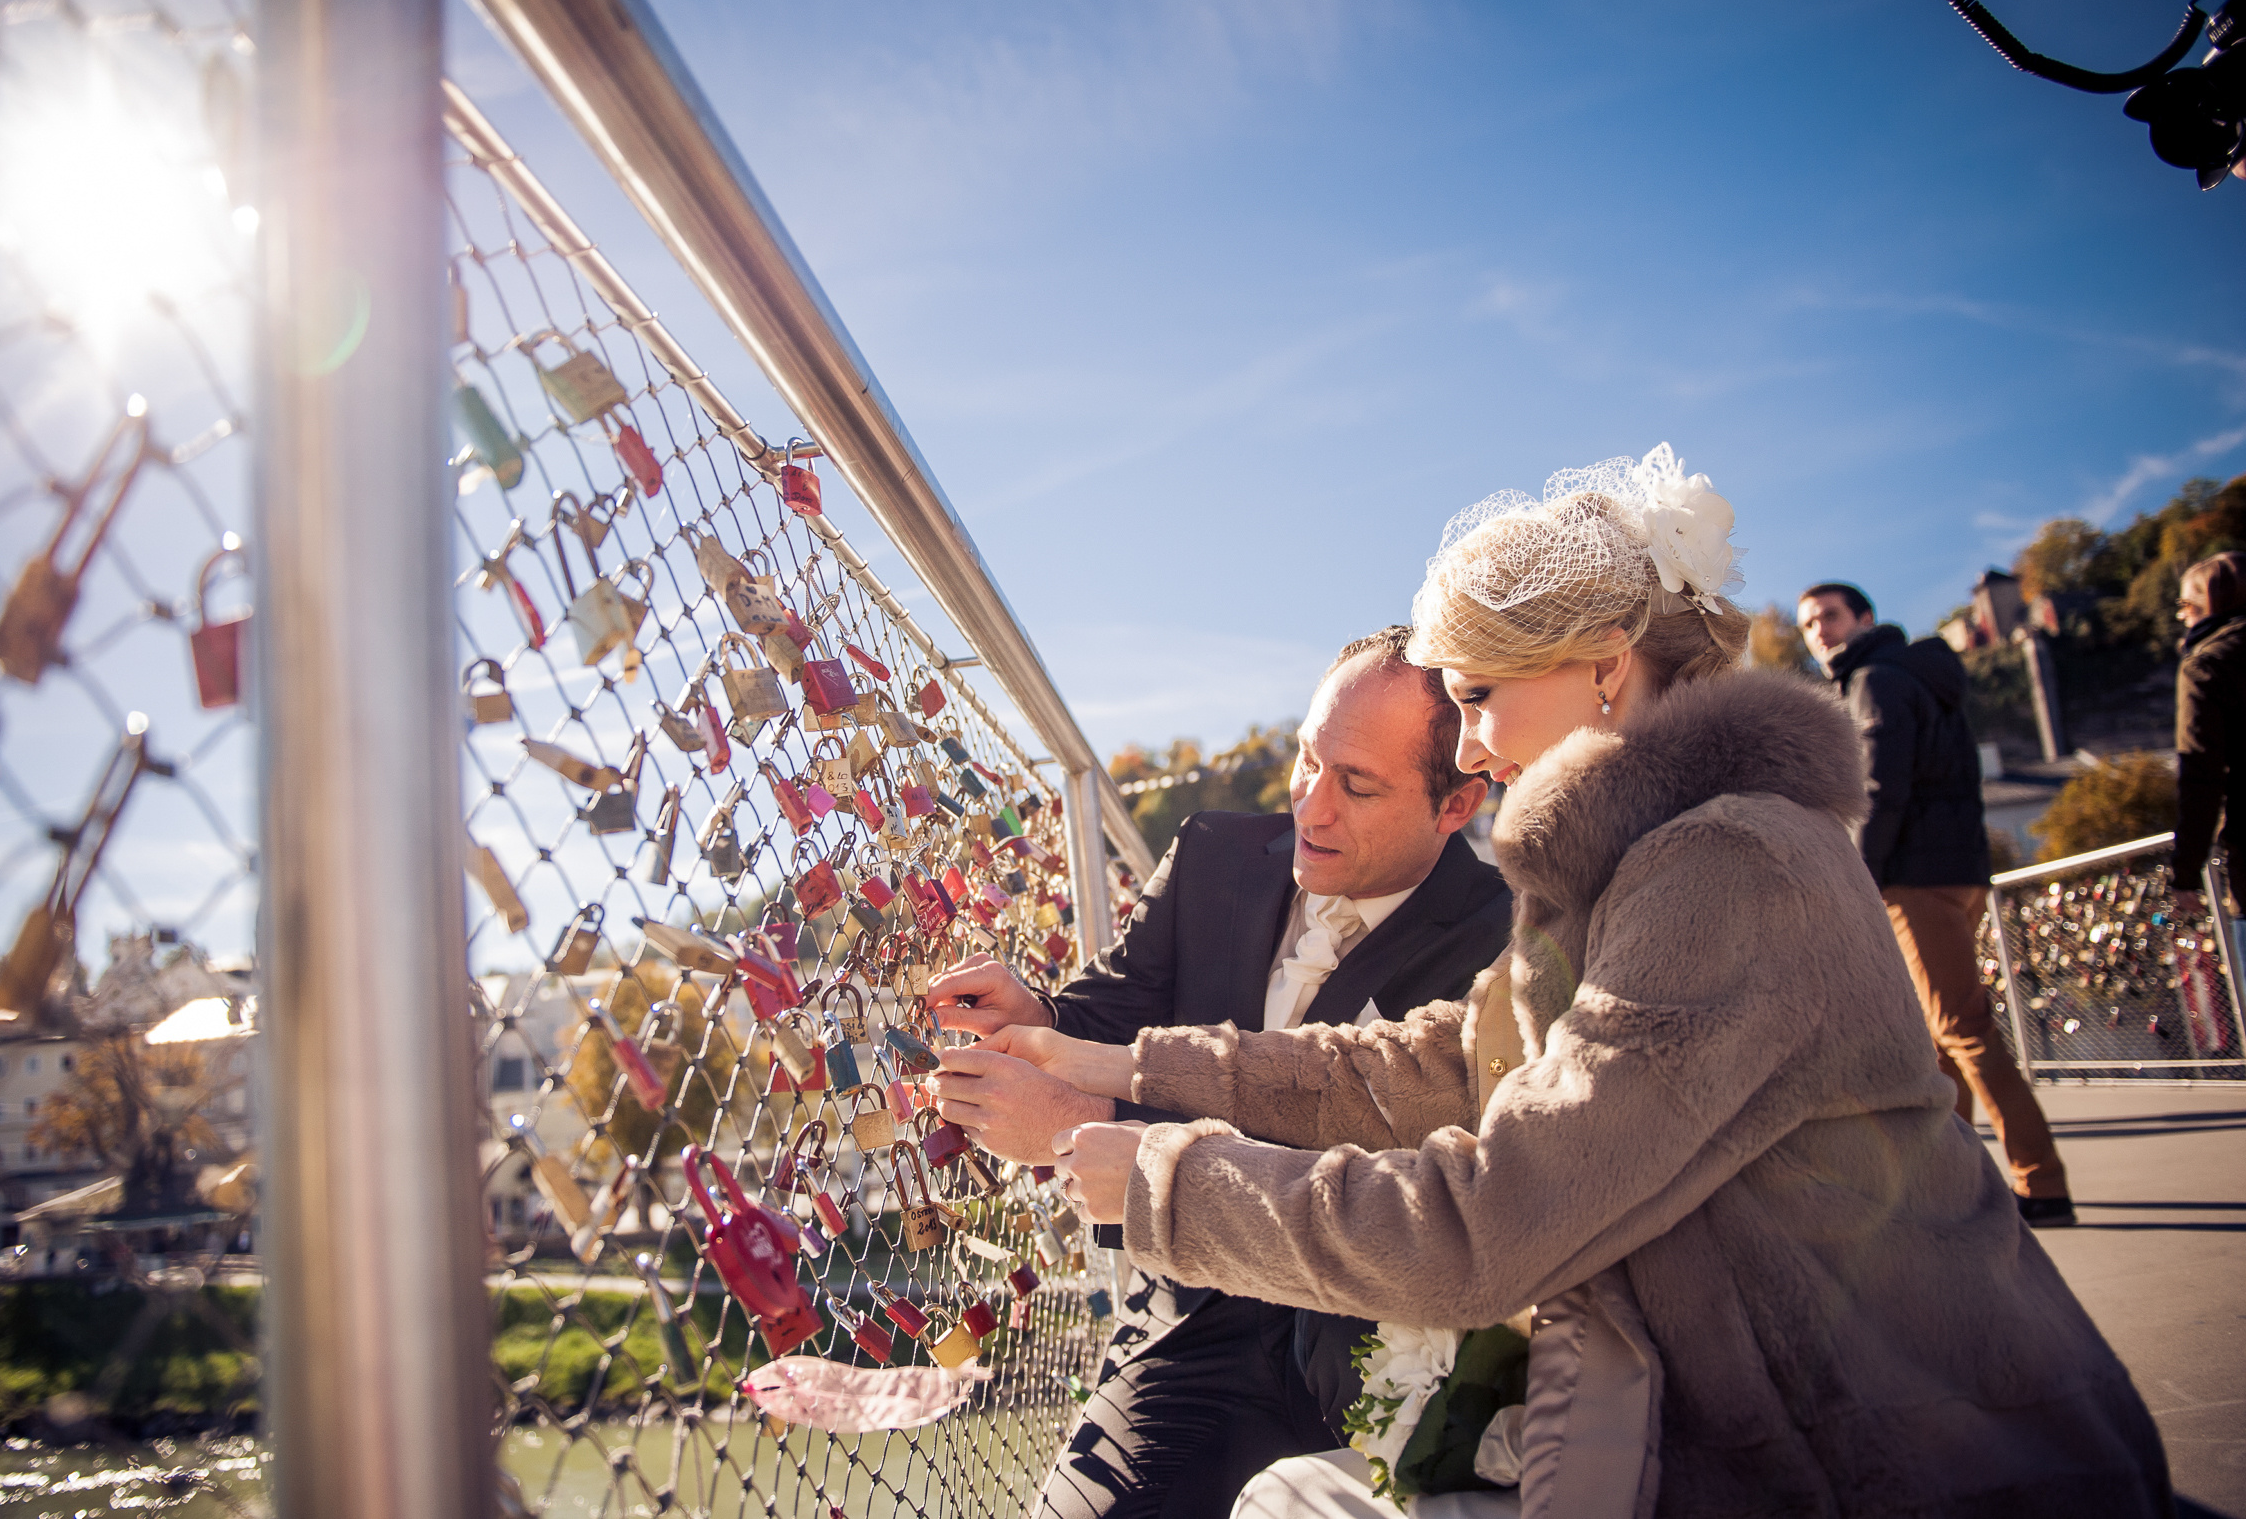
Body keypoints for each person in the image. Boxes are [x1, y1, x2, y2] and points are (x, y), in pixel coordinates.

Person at [995, 449, 2167, 1518]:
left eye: (1477, 695)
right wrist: (1112, 1062)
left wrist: (1163, 1181)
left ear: (1607, 668)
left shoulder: (1723, 867)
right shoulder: (1643, 864)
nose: (1465, 748)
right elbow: (1440, 1059)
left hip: (1899, 1462)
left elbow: (1492, 1226)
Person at [923, 626, 1510, 1519]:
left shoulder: (1507, 941)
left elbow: (1409, 1155)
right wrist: (1034, 1018)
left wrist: (1078, 1113)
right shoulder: (1211, 852)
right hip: (1189, 1324)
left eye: (1356, 785)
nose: (1310, 809)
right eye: (1307, 759)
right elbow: (1107, 1014)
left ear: (1457, 803)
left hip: (1376, 1361)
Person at [1796, 581, 2074, 1227]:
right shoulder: (1920, 673)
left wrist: (1858, 880)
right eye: (1809, 623)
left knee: (1962, 1029)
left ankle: (2042, 1181)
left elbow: (1879, 788)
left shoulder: (1875, 678)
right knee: (1938, 1037)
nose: (1819, 631)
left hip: (1915, 876)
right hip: (1960, 868)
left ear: (1864, 617)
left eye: (1830, 616)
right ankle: (1945, 1184)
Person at [2170, 551, 2246, 921]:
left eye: (2185, 604)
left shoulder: (2207, 664)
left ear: (2209, 604)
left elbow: (2201, 773)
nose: (2181, 615)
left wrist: (2186, 872)